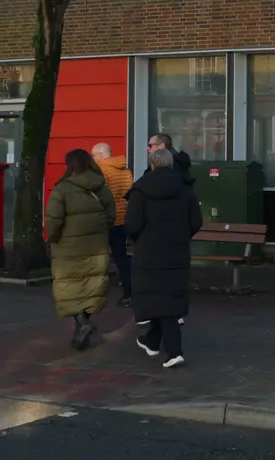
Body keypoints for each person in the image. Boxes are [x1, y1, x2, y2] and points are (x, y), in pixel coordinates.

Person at [126, 145, 201, 369]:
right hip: (177, 252)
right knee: (169, 298)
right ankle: (151, 341)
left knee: (158, 301)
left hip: (149, 253)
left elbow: (132, 224)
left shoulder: (140, 190)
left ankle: (174, 351)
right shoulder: (184, 188)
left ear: (151, 164)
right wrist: (183, 235)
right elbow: (196, 221)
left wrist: (141, 238)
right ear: (170, 164)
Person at [45, 148, 115, 350]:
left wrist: (53, 239)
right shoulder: (101, 186)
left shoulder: (62, 189)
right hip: (96, 247)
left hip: (68, 248)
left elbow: (53, 220)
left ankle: (81, 323)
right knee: (90, 286)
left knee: (70, 288)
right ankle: (82, 325)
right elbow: (111, 216)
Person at [90, 141, 134, 307]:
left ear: (101, 155)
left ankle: (95, 292)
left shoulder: (101, 171)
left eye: (93, 155)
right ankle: (129, 291)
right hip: (123, 219)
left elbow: (99, 197)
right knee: (121, 257)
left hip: (107, 219)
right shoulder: (125, 171)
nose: (93, 159)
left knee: (99, 257)